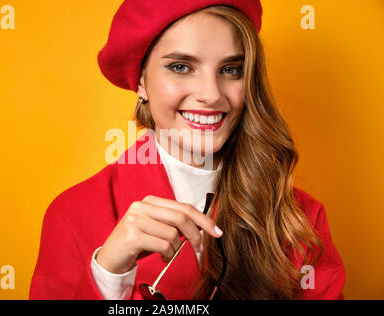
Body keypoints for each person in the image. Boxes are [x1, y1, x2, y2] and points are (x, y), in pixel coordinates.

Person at [29, 0, 346, 300]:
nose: (210, 95)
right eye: (181, 67)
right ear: (141, 82)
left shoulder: (299, 217)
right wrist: (109, 276)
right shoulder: (71, 215)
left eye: (230, 69)